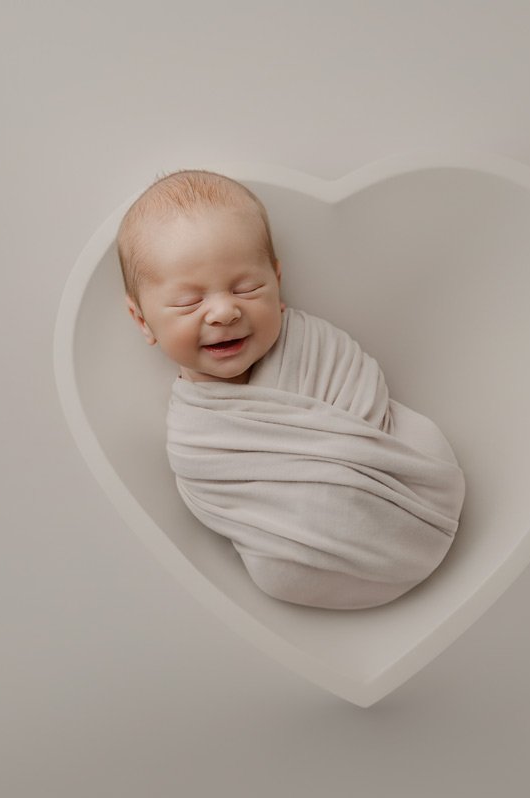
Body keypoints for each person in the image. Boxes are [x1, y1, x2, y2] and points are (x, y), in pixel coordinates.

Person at [117, 170, 465, 609]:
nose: (224, 311)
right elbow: (221, 499)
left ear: (277, 282)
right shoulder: (195, 434)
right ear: (142, 319)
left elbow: (364, 397)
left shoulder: (312, 344)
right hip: (311, 559)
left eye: (248, 288)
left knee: (425, 440)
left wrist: (345, 471)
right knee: (274, 574)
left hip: (408, 491)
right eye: (190, 302)